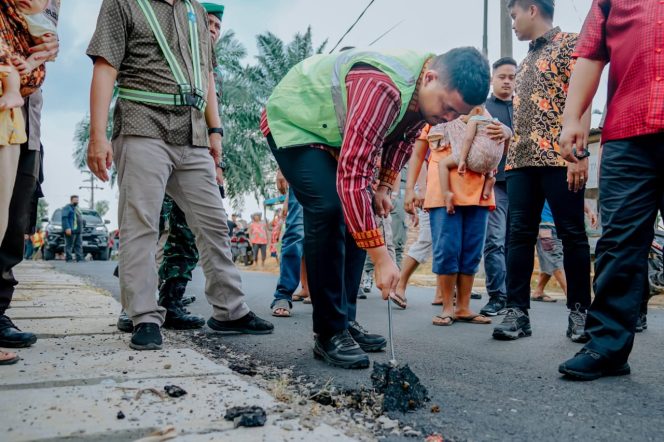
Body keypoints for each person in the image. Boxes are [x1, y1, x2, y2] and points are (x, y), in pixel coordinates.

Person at [262, 47, 490, 369]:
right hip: (294, 122)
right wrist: (381, 259)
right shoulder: (381, 87)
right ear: (430, 78)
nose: (448, 119)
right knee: (329, 209)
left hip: (332, 133)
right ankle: (328, 333)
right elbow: (352, 177)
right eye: (447, 109)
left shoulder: (426, 102)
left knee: (363, 206)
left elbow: (402, 139)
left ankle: (344, 320)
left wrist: (384, 187)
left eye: (456, 115)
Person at [87, 0, 273, 351]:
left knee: (214, 222)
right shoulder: (123, 3)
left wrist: (215, 132)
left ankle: (230, 311)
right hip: (143, 123)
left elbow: (205, 73)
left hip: (193, 133)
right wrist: (97, 135)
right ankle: (143, 315)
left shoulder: (197, 12)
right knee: (140, 222)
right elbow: (106, 66)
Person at [558, 0, 664, 380]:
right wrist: (572, 118)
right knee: (618, 241)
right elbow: (591, 53)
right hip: (627, 132)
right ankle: (607, 346)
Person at [115, 1, 228, 334]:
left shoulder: (210, 71)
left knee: (186, 238)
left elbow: (215, 120)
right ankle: (134, 308)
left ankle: (172, 300)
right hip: (155, 143)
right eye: (207, 21)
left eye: (217, 26)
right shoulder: (172, 52)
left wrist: (217, 157)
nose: (211, 28)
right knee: (147, 229)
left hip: (196, 150)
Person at [492, 0, 592, 343]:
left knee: (572, 234)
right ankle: (517, 312)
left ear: (531, 9)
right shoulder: (523, 61)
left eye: (514, 15)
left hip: (559, 157)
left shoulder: (572, 43)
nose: (514, 23)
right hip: (519, 160)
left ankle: (580, 312)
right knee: (517, 236)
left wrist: (579, 153)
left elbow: (584, 100)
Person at [0, 0, 59, 365]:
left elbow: (47, 45)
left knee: (13, 220)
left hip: (26, 117)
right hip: (8, 103)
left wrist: (35, 61)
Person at [415, 115, 509, 327]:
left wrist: (506, 133)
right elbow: (418, 155)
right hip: (443, 191)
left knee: (472, 250)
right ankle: (447, 307)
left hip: (479, 193)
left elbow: (501, 149)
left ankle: (463, 307)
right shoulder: (435, 116)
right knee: (447, 248)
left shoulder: (489, 121)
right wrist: (415, 188)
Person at [479, 57, 516, 316]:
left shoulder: (525, 108)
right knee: (494, 240)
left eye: (512, 77)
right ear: (493, 79)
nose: (507, 81)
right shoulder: (483, 109)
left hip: (523, 182)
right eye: (502, 76)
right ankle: (497, 296)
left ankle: (515, 296)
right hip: (495, 183)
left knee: (516, 241)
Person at [430, 105, 506, 214]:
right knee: (486, 150)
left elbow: (468, 139)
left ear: (477, 111)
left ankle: (446, 193)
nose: (460, 117)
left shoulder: (474, 120)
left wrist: (462, 160)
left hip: (476, 158)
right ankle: (490, 179)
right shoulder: (495, 122)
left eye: (464, 113)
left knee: (443, 164)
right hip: (492, 164)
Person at [270, 169, 307, 317]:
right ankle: (283, 295)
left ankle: (328, 297)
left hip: (336, 169)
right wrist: (282, 169)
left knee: (328, 235)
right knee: (296, 232)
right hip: (303, 170)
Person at [13, 0, 59, 75]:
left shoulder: (41, 23)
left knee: (12, 75)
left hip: (19, 62)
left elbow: (46, 50)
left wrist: (29, 65)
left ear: (45, 7)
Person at [61, 195, 84, 262]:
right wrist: (67, 228)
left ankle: (79, 258)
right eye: (75, 200)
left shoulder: (77, 208)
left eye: (77, 200)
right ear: (71, 200)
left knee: (78, 245)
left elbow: (79, 218)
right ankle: (69, 258)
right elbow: (64, 218)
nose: (77, 201)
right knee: (69, 245)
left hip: (78, 230)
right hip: (70, 230)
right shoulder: (67, 208)